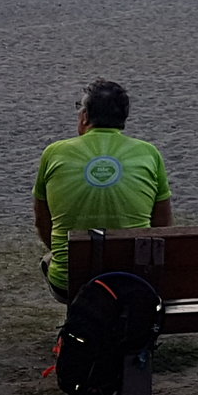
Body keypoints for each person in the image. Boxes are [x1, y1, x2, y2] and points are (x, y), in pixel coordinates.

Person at [34, 79, 172, 299]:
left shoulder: (54, 153)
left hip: (70, 281)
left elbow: (42, 221)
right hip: (134, 276)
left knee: (50, 260)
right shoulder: (148, 153)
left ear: (85, 116)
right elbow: (163, 226)